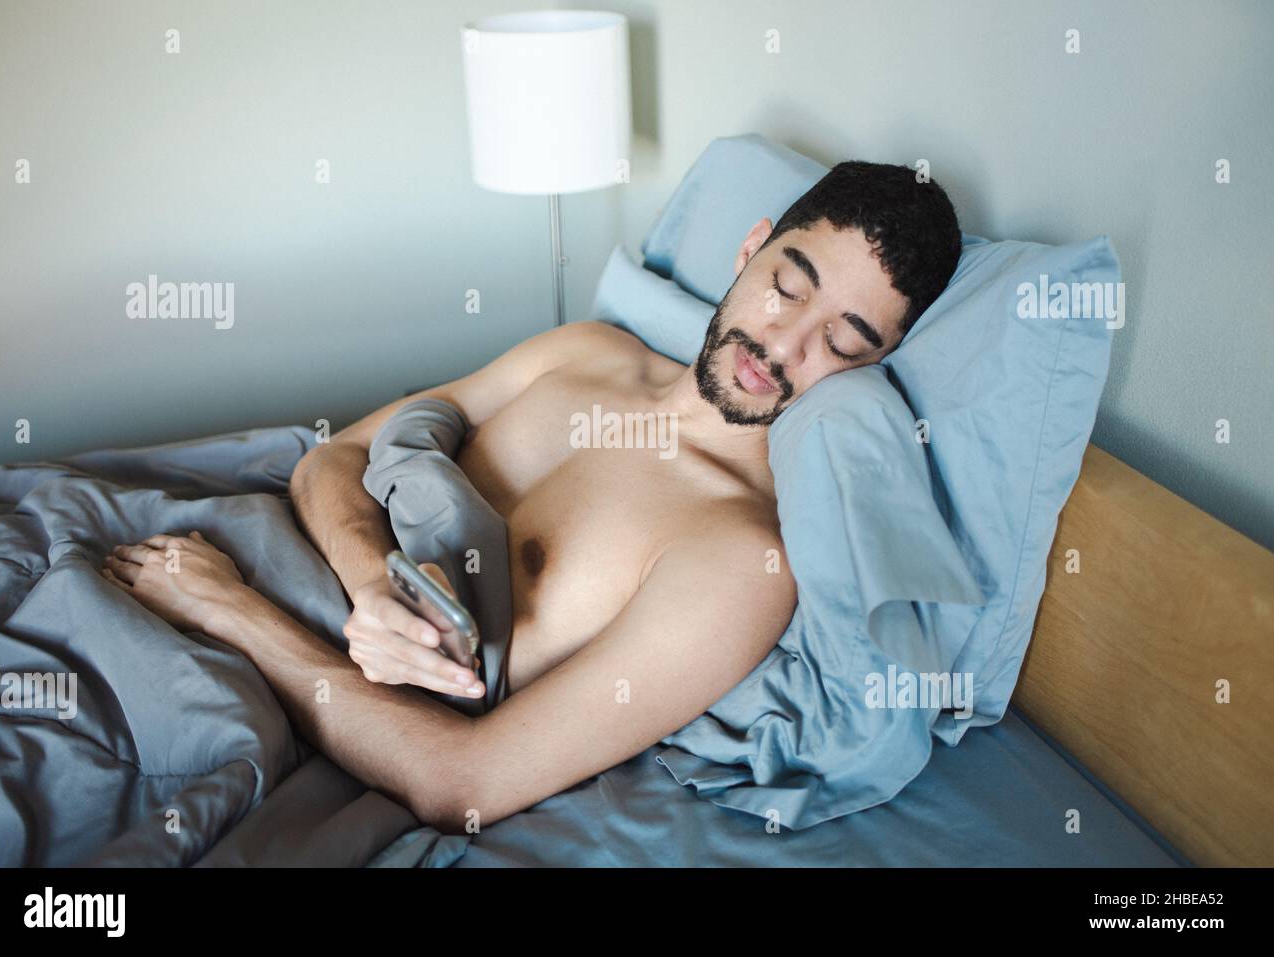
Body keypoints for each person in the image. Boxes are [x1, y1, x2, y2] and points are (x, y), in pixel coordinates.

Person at [100, 161, 961, 832]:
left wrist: (231, 612)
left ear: (868, 372)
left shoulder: (741, 557)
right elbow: (336, 458)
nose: (782, 345)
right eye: (789, 285)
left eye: (841, 343)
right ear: (751, 248)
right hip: (252, 556)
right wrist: (372, 586)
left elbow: (460, 783)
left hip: (253, 645)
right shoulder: (588, 351)